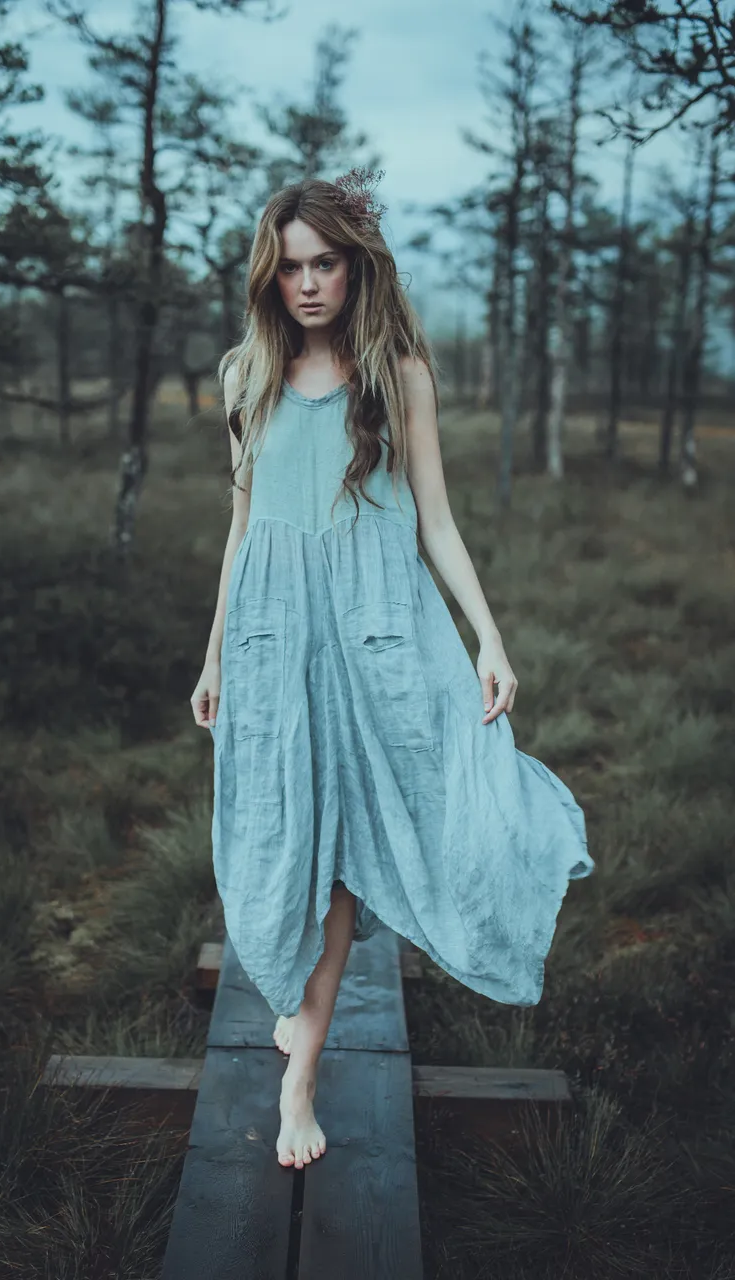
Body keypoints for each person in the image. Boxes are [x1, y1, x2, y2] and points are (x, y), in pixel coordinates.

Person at [190, 168, 594, 1172]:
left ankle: (299, 1077)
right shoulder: (244, 377)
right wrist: (213, 657)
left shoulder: (397, 373)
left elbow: (435, 523)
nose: (309, 283)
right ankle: (292, 999)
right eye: (289, 267)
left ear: (354, 264)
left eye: (324, 262)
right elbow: (241, 530)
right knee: (274, 845)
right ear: (268, 276)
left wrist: (487, 638)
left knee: (339, 863)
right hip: (273, 643)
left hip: (377, 633)